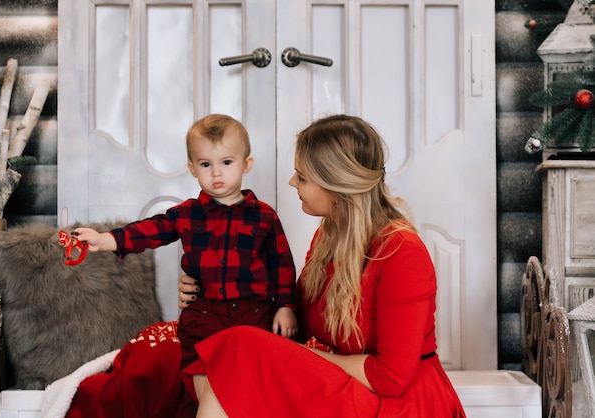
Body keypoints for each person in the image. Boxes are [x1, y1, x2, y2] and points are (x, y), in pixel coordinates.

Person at [178, 114, 466, 417]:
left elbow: (390, 378)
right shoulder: (330, 236)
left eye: (301, 177)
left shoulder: (402, 252)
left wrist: (304, 355)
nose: (292, 182)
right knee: (200, 348)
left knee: (237, 347)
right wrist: (211, 285)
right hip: (348, 381)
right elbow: (294, 323)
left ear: (335, 186)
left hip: (397, 402)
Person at [74, 113, 298, 374]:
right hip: (203, 316)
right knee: (198, 379)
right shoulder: (187, 214)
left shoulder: (264, 216)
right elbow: (149, 230)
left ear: (246, 164)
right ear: (192, 168)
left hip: (253, 315)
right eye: (205, 164)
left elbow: (282, 265)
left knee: (249, 378)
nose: (216, 172)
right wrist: (104, 239)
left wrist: (286, 306)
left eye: (226, 162)